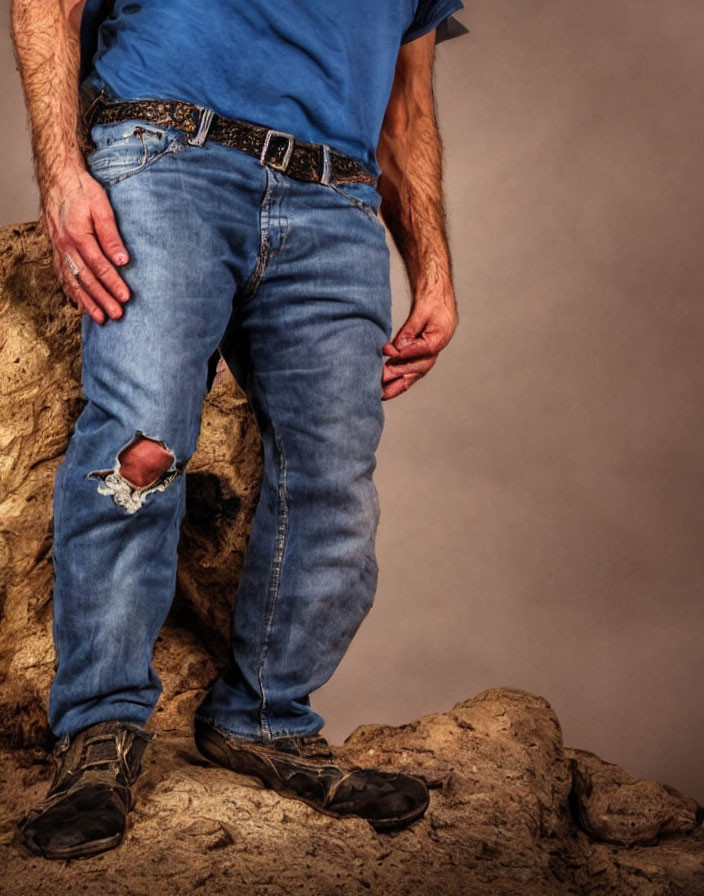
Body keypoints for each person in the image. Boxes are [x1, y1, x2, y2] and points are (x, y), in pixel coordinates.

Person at [11, 0, 465, 860]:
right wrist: (65, 175)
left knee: (333, 484)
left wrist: (433, 272)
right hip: (165, 158)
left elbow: (407, 107)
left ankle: (267, 721)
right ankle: (100, 732)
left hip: (338, 204)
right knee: (139, 448)